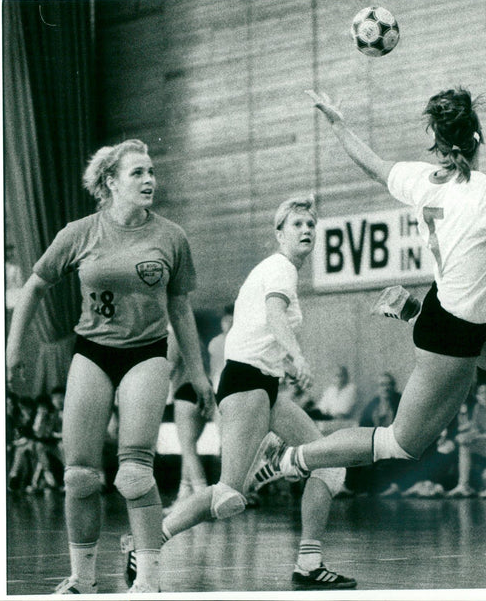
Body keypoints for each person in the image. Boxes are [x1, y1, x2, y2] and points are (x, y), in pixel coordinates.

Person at [259, 88, 486, 518]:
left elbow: (375, 166)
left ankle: (416, 311)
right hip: (448, 337)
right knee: (400, 443)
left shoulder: (421, 179)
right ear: (477, 137)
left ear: (435, 139)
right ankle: (290, 460)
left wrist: (339, 124)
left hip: (476, 316)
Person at [5, 139, 214, 594]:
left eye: (152, 171)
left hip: (146, 353)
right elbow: (35, 286)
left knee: (135, 472)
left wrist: (197, 373)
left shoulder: (171, 236)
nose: (149, 180)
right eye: (137, 173)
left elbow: (180, 309)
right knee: (79, 475)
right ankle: (82, 579)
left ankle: (150, 582)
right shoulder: (79, 232)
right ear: (110, 182)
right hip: (93, 352)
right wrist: (13, 347)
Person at [124, 197, 356, 591]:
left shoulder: (281, 271)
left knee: (330, 466)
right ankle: (146, 546)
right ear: (279, 233)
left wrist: (283, 366)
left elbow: (264, 328)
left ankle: (309, 562)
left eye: (310, 224)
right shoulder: (280, 268)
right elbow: (274, 315)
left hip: (262, 384)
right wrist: (296, 356)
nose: (306, 230)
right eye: (297, 224)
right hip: (246, 385)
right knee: (228, 495)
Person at [162, 325, 212, 512]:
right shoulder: (197, 340)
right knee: (189, 447)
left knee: (188, 449)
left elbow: (168, 367)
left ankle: (202, 499)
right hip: (204, 391)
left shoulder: (174, 338)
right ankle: (183, 496)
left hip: (185, 391)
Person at [447, 381, 486, 498]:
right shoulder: (477, 407)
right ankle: (463, 485)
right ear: (477, 396)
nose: (484, 395)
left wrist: (477, 437)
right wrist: (466, 436)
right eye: (481, 393)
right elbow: (476, 429)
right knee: (465, 445)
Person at [207, 304, 233, 393]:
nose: (229, 324)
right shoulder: (215, 342)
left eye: (232, 322)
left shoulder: (240, 341)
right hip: (219, 384)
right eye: (226, 321)